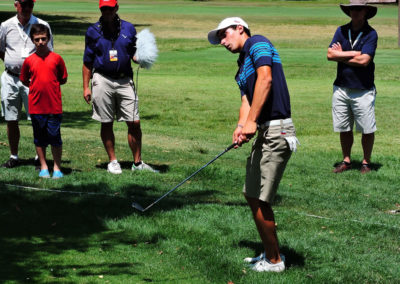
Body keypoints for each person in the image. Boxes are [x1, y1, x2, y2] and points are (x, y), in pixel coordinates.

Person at [208, 17, 299, 273]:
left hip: (277, 130)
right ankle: (271, 251)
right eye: (220, 40)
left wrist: (251, 122)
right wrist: (241, 126)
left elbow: (266, 79)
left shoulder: (258, 43)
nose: (223, 42)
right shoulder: (241, 66)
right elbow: (247, 99)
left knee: (260, 197)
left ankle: (274, 261)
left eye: (225, 35)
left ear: (240, 28)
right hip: (263, 131)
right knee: (251, 194)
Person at [82, 0, 157, 174]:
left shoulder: (129, 28)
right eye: (104, 8)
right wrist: (86, 87)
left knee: (134, 122)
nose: (107, 11)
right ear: (101, 9)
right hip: (102, 79)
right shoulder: (92, 31)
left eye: (110, 8)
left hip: (125, 80)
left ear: (116, 8)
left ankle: (137, 163)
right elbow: (87, 62)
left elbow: (133, 52)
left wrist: (141, 58)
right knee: (106, 122)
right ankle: (113, 161)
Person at [0, 0, 53, 168]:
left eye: (30, 4)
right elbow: (1, 49)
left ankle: (40, 158)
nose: (27, 8)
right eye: (23, 4)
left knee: (37, 119)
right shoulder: (5, 25)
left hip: (34, 79)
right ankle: (14, 156)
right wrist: (13, 63)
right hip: (11, 78)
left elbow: (49, 52)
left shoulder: (42, 24)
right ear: (16, 5)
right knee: (11, 118)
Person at [327, 0, 378, 174]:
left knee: (366, 129)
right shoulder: (341, 30)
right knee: (344, 127)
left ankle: (365, 162)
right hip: (341, 88)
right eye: (352, 9)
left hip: (363, 89)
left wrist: (340, 55)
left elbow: (364, 61)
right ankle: (346, 160)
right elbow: (329, 54)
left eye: (358, 9)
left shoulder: (371, 34)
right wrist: (354, 53)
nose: (354, 12)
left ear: (365, 11)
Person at [20, 24, 67, 179]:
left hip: (53, 106)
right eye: (37, 39)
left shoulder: (57, 59)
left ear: (48, 38)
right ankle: (44, 166)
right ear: (32, 40)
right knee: (39, 138)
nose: (41, 42)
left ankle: (57, 167)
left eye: (43, 39)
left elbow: (63, 78)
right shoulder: (29, 61)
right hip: (36, 106)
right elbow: (24, 80)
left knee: (55, 137)